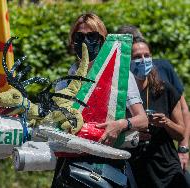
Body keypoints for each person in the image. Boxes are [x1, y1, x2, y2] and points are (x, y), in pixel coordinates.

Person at [52, 13, 148, 188]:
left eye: (92, 36)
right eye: (79, 36)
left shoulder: (121, 76)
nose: (85, 41)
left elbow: (142, 120)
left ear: (103, 40)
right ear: (72, 41)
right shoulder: (65, 81)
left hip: (108, 164)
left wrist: (120, 125)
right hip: (71, 166)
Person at [117, 25, 190, 172]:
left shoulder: (164, 81)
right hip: (133, 167)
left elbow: (183, 110)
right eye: (136, 57)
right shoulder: (117, 90)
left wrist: (183, 148)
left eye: (147, 55)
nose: (143, 61)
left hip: (166, 165)